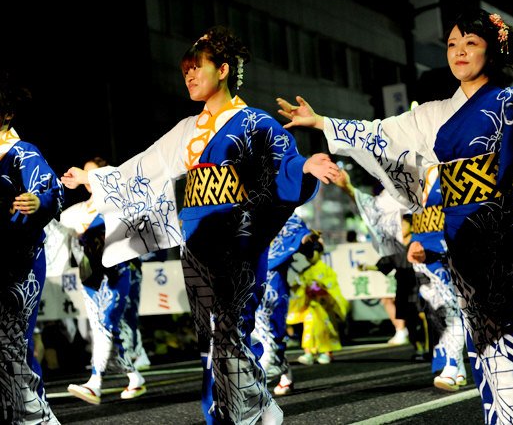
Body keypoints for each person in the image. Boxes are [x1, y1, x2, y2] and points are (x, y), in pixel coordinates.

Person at [276, 9, 513, 424]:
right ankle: (501, 414)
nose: (459, 52)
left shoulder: (511, 102)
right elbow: (380, 133)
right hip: (458, 227)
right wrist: (321, 122)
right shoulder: (432, 114)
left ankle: (512, 416)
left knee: (500, 324)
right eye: (452, 44)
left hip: (501, 224)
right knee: (479, 328)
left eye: (471, 43)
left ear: (493, 51)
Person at [61, 26, 339, 425]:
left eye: (197, 67)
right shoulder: (185, 131)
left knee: (232, 327)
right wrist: (91, 179)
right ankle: (244, 407)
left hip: (237, 238)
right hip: (195, 242)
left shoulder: (253, 122)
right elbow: (143, 167)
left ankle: (242, 410)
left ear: (223, 69)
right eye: (185, 70)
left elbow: (283, 164)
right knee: (211, 338)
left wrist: (306, 165)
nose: (189, 76)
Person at [0, 71, 63, 424]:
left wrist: (39, 202)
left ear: (7, 113)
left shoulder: (21, 152)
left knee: (10, 350)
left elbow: (54, 192)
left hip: (18, 262)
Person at [59, 157, 148, 404]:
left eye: (91, 174)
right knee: (105, 326)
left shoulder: (116, 199)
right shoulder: (80, 209)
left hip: (117, 269)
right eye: (83, 174)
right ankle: (134, 376)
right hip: (89, 273)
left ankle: (95, 383)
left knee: (106, 323)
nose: (85, 179)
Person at [332, 169, 411, 344]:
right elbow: (372, 208)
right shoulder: (392, 193)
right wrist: (348, 188)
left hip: (437, 257)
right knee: (403, 303)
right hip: (409, 276)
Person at [407, 166, 467, 390]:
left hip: (452, 250)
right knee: (438, 313)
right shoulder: (409, 171)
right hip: (423, 255)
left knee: (454, 310)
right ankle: (458, 366)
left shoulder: (454, 166)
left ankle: (451, 366)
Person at [252, 213, 314, 396]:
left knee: (270, 335)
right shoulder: (238, 209)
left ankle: (253, 387)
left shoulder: (285, 213)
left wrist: (307, 238)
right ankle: (284, 375)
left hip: (272, 285)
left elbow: (304, 236)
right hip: (245, 282)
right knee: (255, 335)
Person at [359, 214, 428, 361]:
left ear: (412, 227)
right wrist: (366, 267)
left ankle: (429, 347)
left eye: (403, 225)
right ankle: (419, 349)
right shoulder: (394, 247)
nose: (400, 228)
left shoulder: (420, 243)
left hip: (420, 285)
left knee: (423, 316)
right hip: (403, 286)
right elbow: (384, 264)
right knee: (409, 319)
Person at [287, 236, 350, 365]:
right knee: (308, 329)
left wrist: (320, 287)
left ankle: (327, 353)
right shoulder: (304, 271)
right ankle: (308, 353)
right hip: (310, 306)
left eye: (312, 253)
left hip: (324, 306)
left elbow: (332, 286)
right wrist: (302, 288)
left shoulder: (326, 269)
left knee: (327, 329)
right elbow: (296, 285)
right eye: (307, 254)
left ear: (320, 252)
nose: (309, 256)